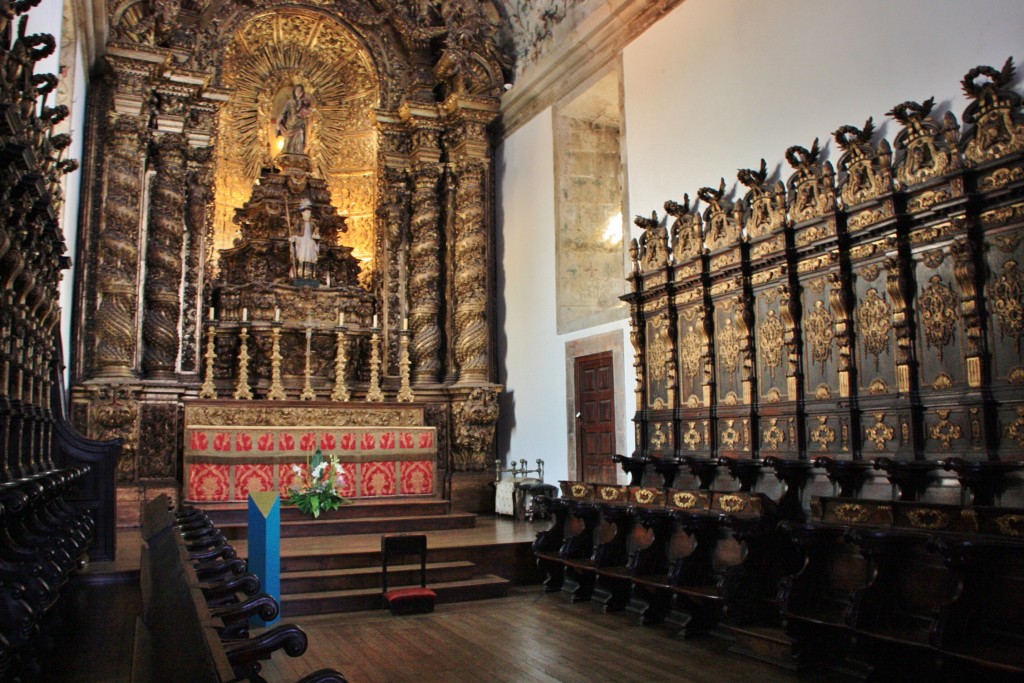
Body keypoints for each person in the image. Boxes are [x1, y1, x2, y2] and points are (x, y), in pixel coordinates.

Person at [277, 84, 312, 155]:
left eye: (300, 90)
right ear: (294, 91)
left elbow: (308, 109)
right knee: (288, 142)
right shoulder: (290, 102)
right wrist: (279, 121)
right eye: (297, 90)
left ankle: (299, 152)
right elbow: (283, 113)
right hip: (290, 125)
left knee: (300, 135)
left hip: (300, 124)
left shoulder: (303, 102)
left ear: (302, 92)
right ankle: (287, 153)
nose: (298, 92)